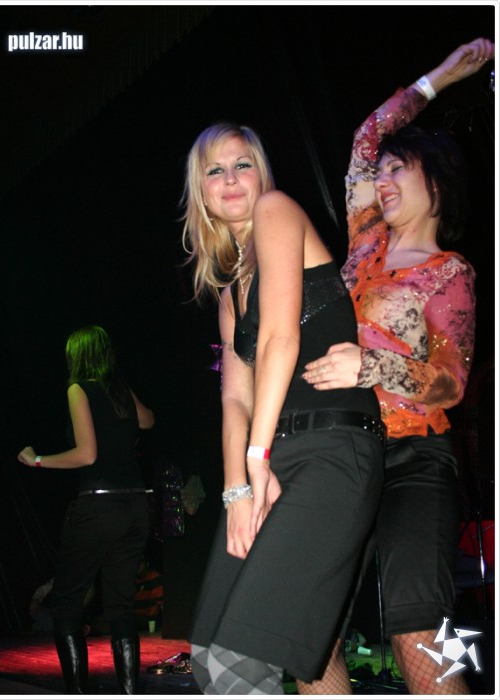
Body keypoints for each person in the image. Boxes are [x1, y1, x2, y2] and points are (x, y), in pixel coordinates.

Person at [300, 38, 494, 695]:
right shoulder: (365, 241)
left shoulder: (450, 272)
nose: (380, 180)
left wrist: (373, 365)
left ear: (435, 182)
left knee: (418, 626)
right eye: (379, 174)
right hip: (341, 452)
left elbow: (450, 382)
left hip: (413, 458)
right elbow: (366, 138)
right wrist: (440, 77)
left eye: (397, 171)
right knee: (309, 634)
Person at [181, 122, 386, 694]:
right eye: (214, 171)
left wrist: (257, 461)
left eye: (241, 164)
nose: (230, 179)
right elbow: (234, 398)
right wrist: (236, 492)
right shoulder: (229, 295)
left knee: (242, 661)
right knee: (209, 659)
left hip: (332, 451)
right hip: (274, 457)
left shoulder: (276, 210)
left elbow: (279, 338)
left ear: (261, 173)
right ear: (202, 192)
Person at [17, 325, 155, 694]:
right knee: (121, 605)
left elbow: (87, 454)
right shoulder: (119, 389)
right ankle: (129, 693)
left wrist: (38, 460)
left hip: (98, 504)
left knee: (67, 603)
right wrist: (121, 396)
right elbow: (147, 420)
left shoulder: (78, 389)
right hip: (135, 505)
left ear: (76, 356)